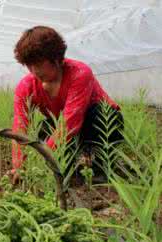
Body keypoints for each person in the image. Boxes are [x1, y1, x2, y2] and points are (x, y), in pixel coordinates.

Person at [10, 26, 124, 184]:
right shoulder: (27, 86)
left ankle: (102, 166)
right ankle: (69, 166)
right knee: (44, 130)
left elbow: (70, 122)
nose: (34, 70)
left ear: (56, 59)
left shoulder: (79, 73)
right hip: (65, 125)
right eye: (29, 65)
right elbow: (20, 126)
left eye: (38, 63)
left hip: (96, 123)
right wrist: (19, 166)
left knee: (101, 115)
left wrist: (43, 157)